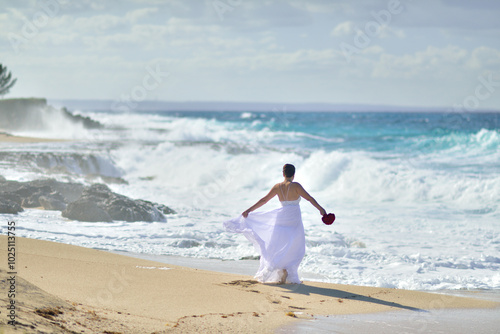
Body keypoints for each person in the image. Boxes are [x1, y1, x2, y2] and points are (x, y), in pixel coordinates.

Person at [223, 164, 326, 284]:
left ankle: (277, 270)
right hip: (293, 218)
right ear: (293, 174)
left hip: (281, 217)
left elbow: (264, 200)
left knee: (279, 243)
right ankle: (285, 271)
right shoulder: (296, 186)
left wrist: (249, 210)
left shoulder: (278, 187)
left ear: (283, 174)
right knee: (294, 245)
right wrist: (320, 209)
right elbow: (309, 198)